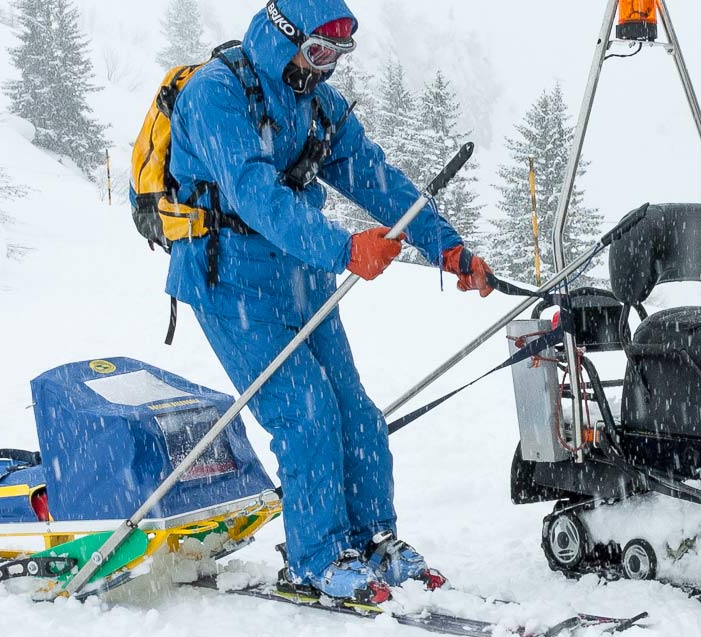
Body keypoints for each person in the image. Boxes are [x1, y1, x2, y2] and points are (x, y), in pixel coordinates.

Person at [164, 0, 493, 603]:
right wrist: (343, 248)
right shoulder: (216, 95)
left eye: (338, 58)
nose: (324, 71)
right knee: (306, 413)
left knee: (355, 413)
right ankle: (313, 556)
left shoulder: (317, 104)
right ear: (278, 37)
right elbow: (255, 195)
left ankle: (373, 539)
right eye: (317, 53)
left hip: (298, 276)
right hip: (231, 282)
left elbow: (375, 177)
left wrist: (448, 249)